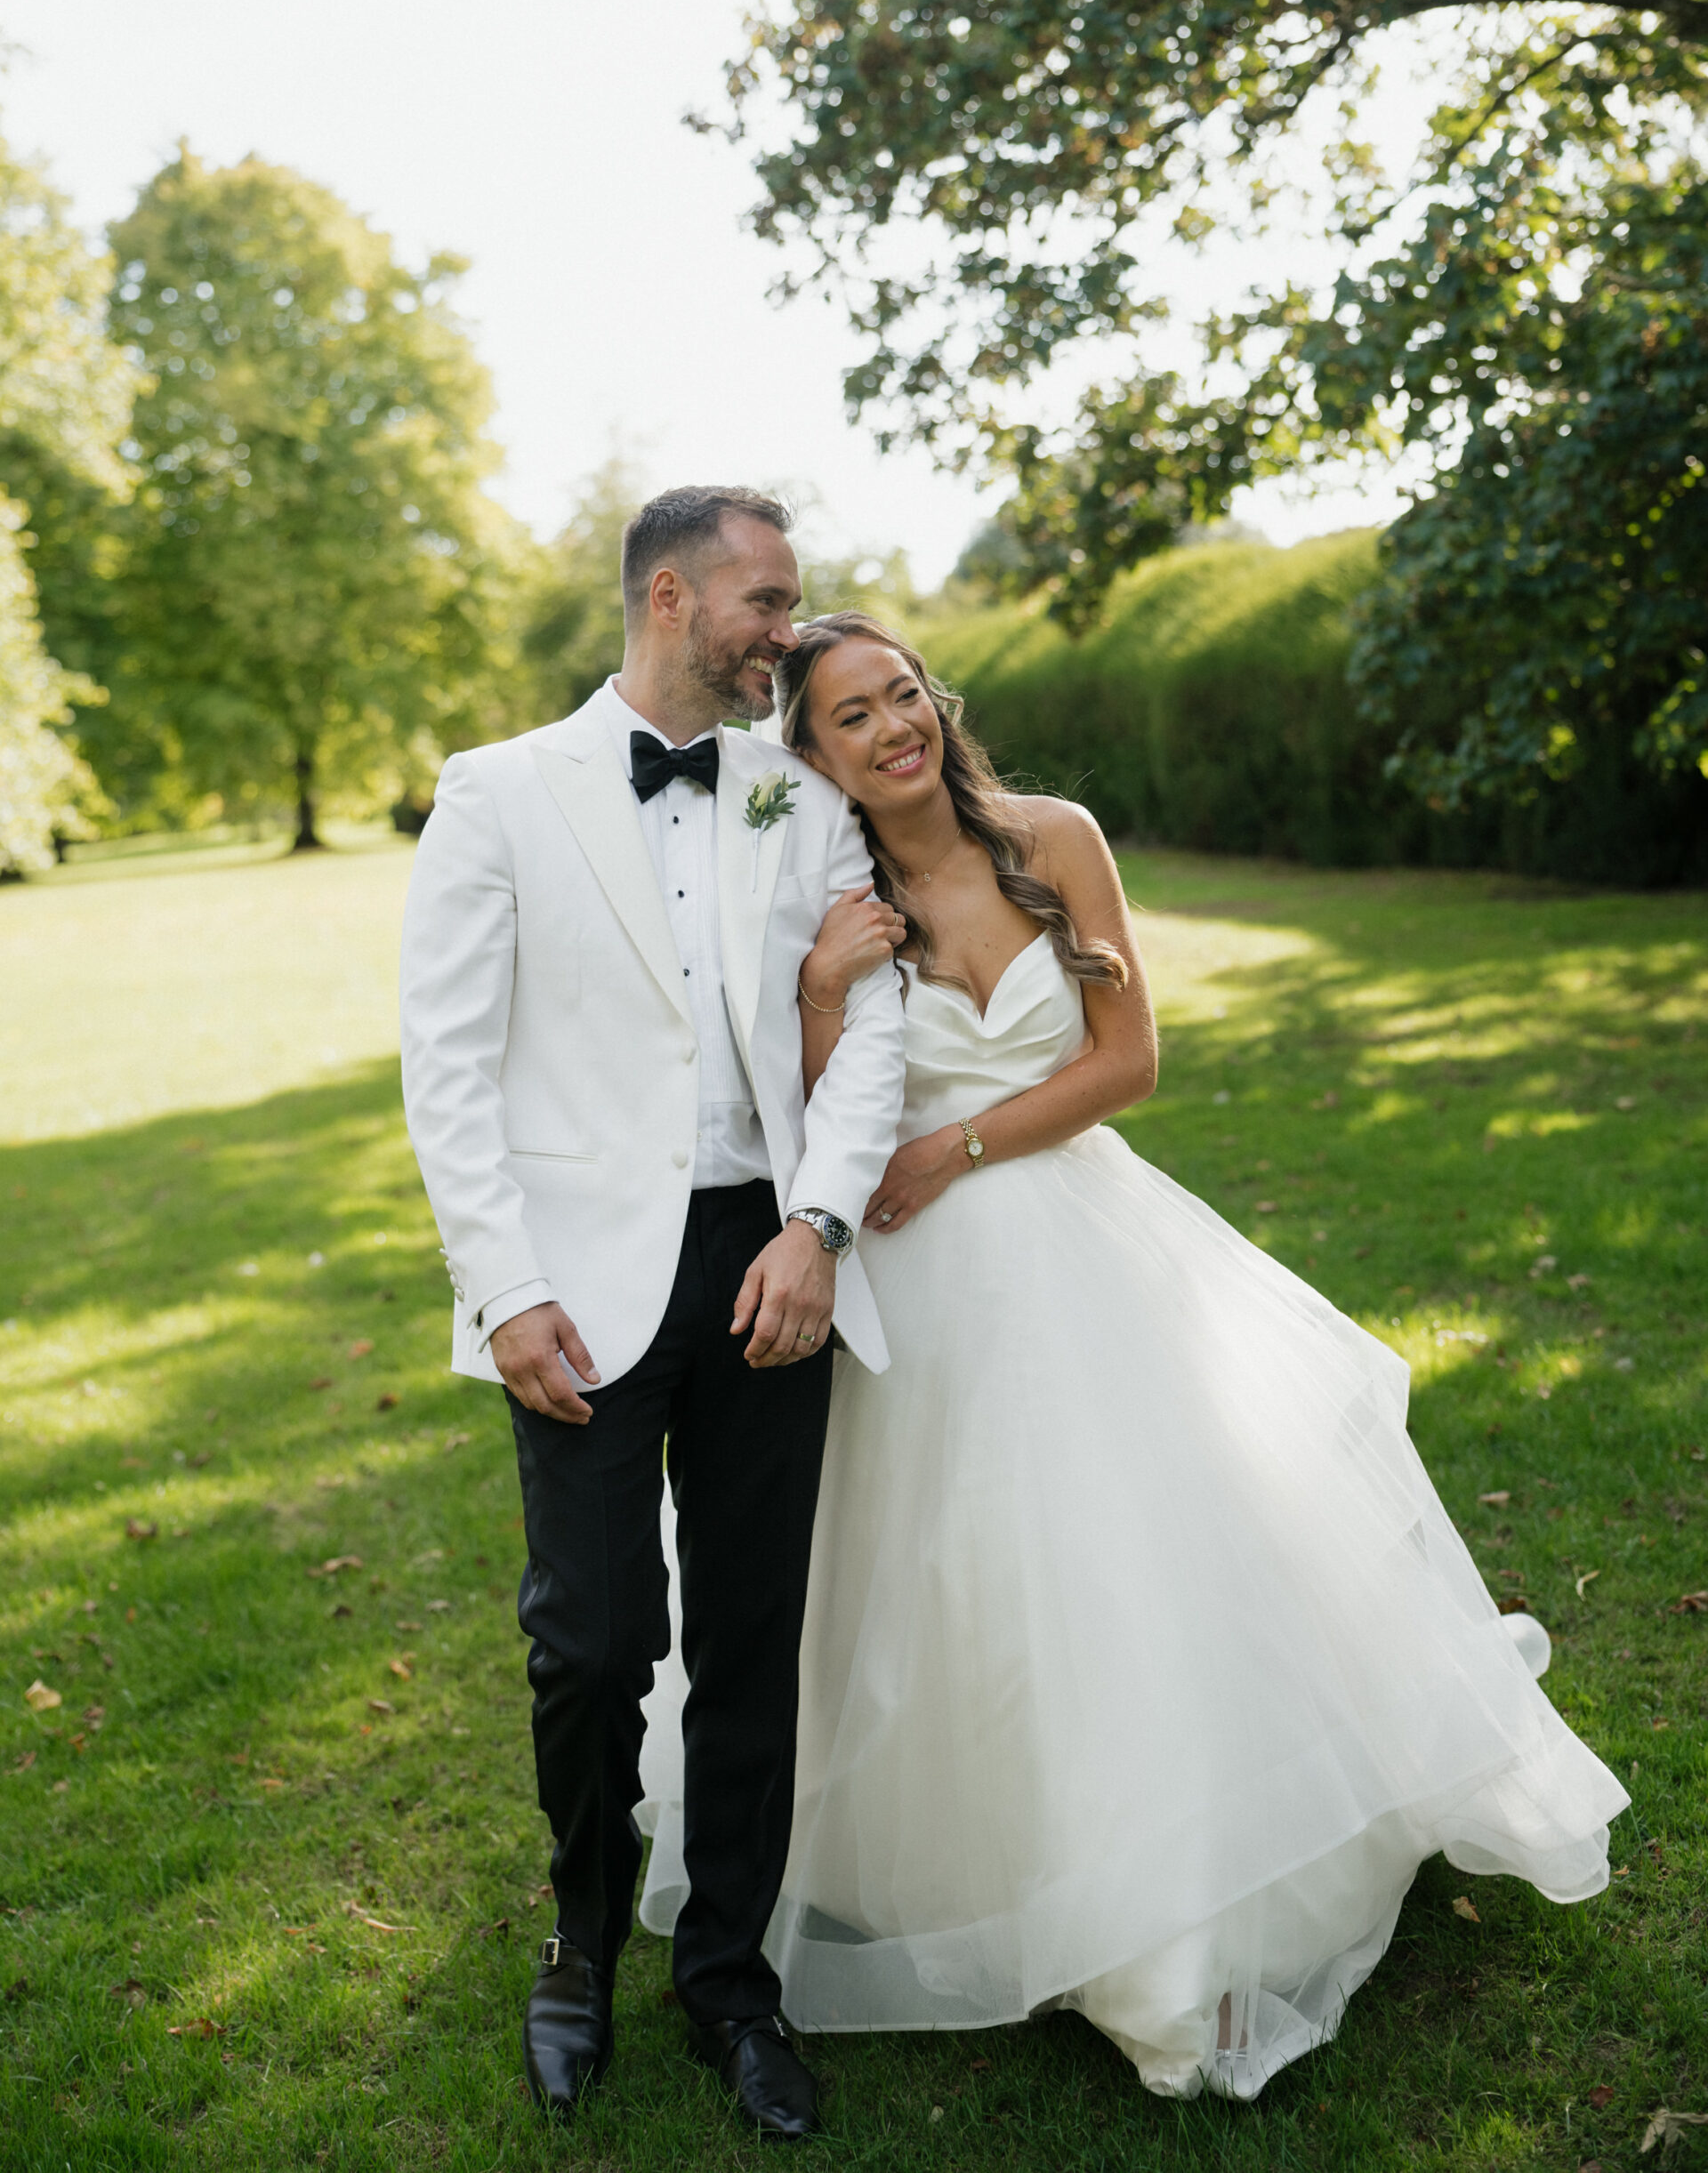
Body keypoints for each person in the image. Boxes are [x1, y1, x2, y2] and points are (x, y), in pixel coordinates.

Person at [636, 608, 1628, 2100]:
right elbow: (817, 1111)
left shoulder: (1056, 838)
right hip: (916, 1290)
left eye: (903, 693)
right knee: (961, 1590)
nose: (894, 727)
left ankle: (1182, 1914)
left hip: (1082, 1246)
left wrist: (961, 1147)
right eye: (852, 716)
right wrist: (828, 987)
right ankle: (1013, 1883)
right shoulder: (820, 894)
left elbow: (1127, 1061)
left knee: (1136, 1564)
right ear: (814, 756)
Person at [399, 499, 906, 2139]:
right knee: (595, 1641)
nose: (788, 628)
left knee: (753, 1638)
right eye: (768, 599)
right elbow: (446, 1068)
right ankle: (580, 1945)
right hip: (573, 1287)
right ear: (672, 597)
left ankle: (733, 1985)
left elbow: (875, 1032)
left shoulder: (802, 798)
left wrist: (820, 1226)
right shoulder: (496, 791)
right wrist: (505, 1291)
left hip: (771, 1264)